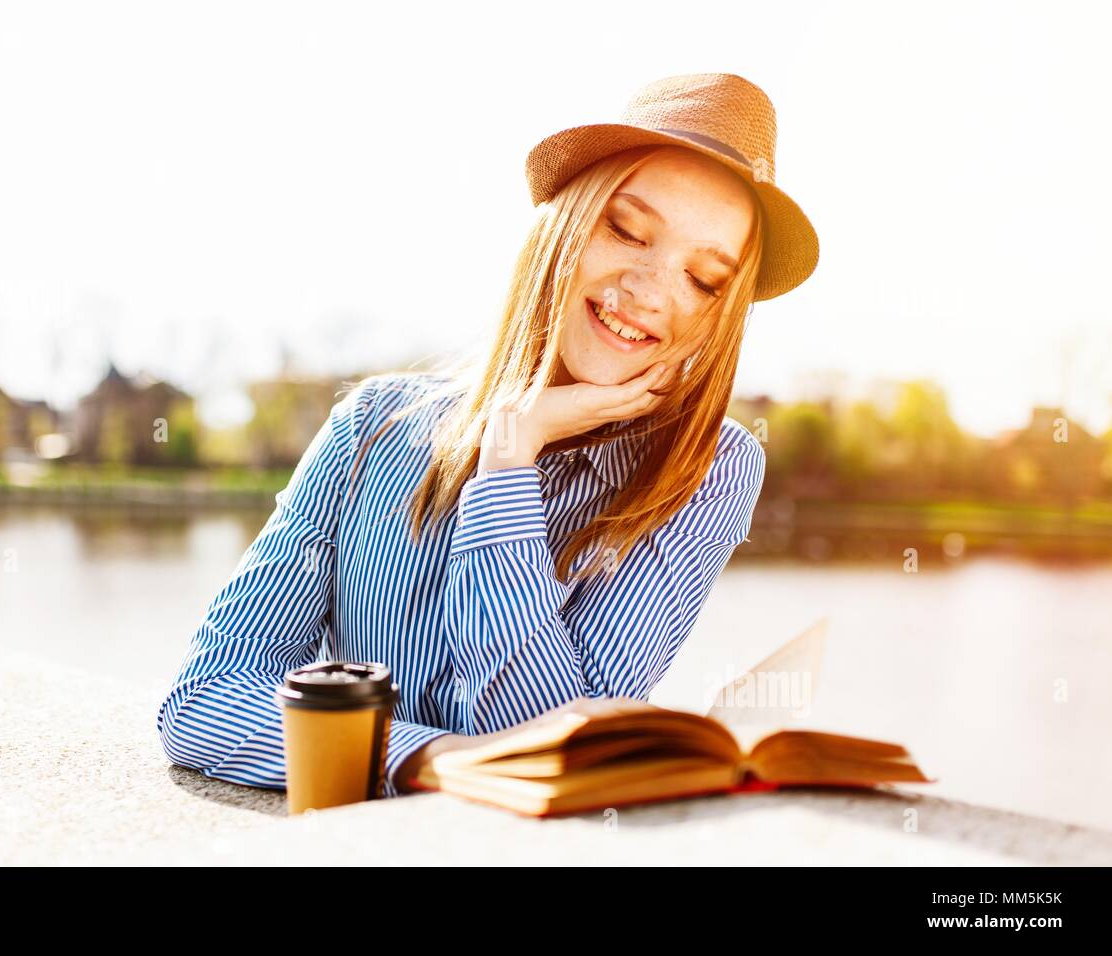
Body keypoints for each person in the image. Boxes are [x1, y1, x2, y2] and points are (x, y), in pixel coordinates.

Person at [156, 73, 820, 798]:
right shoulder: (372, 428)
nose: (653, 289)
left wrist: (506, 467)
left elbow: (552, 742)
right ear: (564, 224)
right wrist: (428, 759)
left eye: (704, 277)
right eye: (627, 229)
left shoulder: (711, 467)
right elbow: (204, 702)